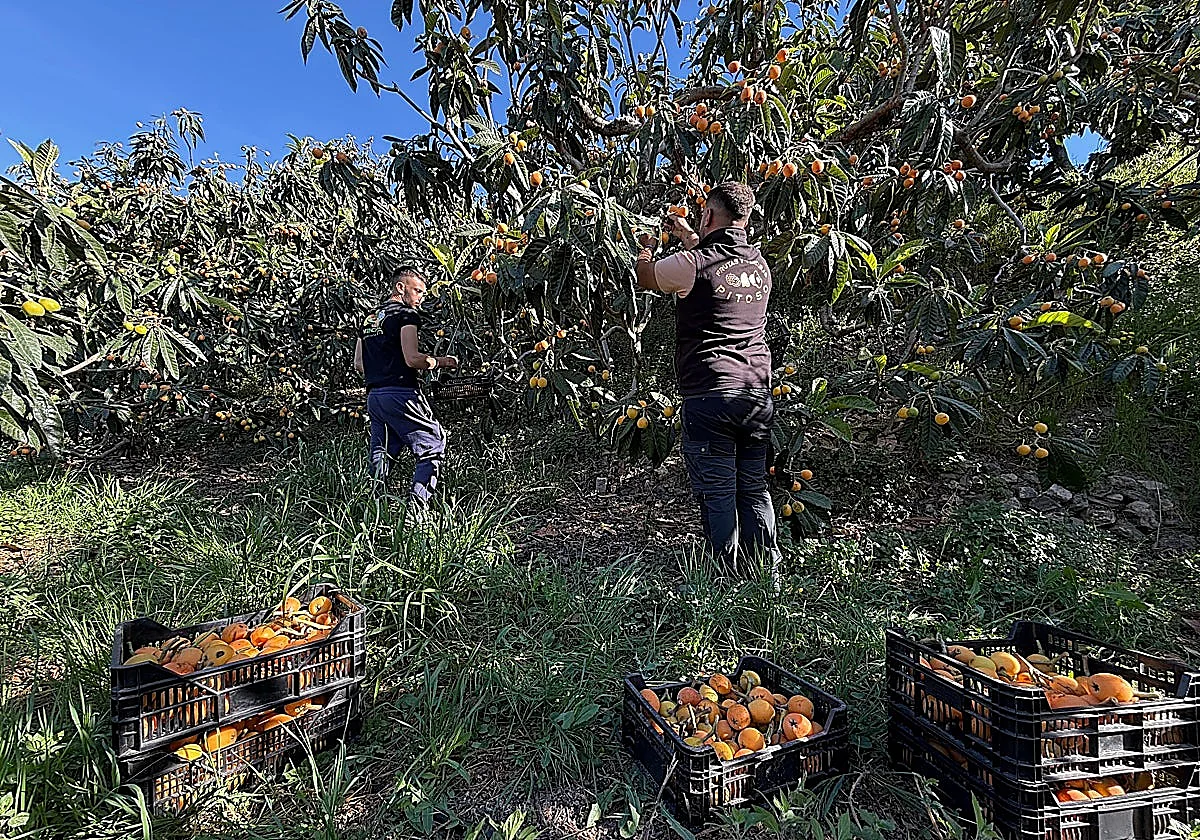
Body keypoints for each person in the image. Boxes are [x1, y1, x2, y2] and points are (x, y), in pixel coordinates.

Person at [634, 181, 782, 576]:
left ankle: (724, 579)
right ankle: (766, 577)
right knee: (753, 488)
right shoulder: (760, 267)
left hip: (711, 393)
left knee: (718, 491)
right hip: (756, 393)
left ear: (709, 215)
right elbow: (721, 266)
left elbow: (646, 277)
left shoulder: (692, 264)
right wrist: (689, 236)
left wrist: (647, 245)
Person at [353, 266, 458, 508]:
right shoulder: (406, 315)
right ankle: (417, 511)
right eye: (417, 291)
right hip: (401, 393)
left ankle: (373, 509)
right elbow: (413, 359)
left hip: (375, 397)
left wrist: (383, 369)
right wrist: (445, 362)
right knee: (433, 443)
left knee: (382, 452)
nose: (421, 297)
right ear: (401, 288)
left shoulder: (368, 318)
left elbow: (359, 364)